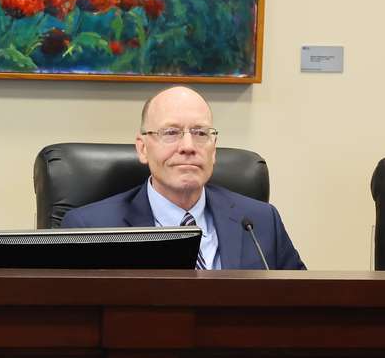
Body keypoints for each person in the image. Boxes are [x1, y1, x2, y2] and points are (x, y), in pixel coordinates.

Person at [61, 86, 305, 270]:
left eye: (200, 133)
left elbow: (301, 308)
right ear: (143, 148)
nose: (188, 146)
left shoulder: (261, 221)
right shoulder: (89, 229)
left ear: (214, 148)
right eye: (171, 133)